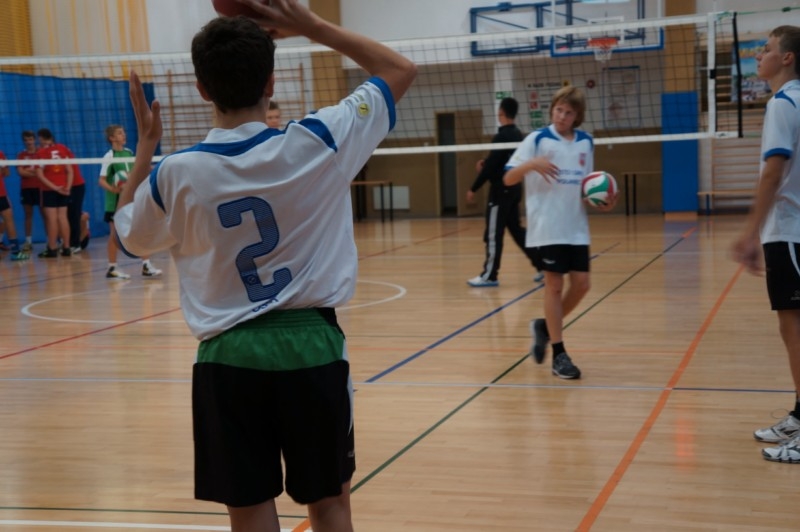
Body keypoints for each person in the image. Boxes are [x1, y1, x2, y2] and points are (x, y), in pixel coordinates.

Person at [114, 3, 416, 531]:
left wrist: (144, 152)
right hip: (312, 347)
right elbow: (400, 69)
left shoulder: (175, 173)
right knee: (330, 506)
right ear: (271, 82)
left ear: (202, 89)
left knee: (250, 512)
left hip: (227, 357)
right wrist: (310, 26)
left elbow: (130, 239)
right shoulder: (320, 140)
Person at [504, 85, 617, 379]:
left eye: (568, 113)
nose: (562, 116)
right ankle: (559, 354)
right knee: (553, 286)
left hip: (576, 226)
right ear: (552, 109)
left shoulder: (586, 143)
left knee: (582, 285)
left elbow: (586, 187)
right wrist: (532, 163)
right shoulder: (537, 139)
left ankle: (543, 326)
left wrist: (602, 202)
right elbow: (508, 178)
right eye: (558, 110)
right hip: (547, 225)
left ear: (577, 116)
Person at [731, 25, 800, 464]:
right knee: (790, 327)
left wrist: (749, 233)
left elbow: (773, 172)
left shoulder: (783, 102)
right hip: (792, 231)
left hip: (788, 230)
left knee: (795, 330)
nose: (759, 55)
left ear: (787, 58)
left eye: (767, 49)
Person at [465, 97, 542, 287]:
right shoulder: (518, 135)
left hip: (500, 191)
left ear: (501, 113)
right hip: (515, 189)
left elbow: (491, 167)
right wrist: (487, 163)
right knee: (517, 231)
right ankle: (543, 266)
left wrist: (473, 188)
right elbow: (502, 160)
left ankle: (489, 275)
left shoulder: (501, 137)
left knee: (493, 234)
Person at [98, 124, 162, 279]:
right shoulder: (109, 156)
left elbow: (135, 172)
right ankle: (112, 268)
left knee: (141, 231)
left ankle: (146, 265)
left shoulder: (129, 153)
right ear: (112, 138)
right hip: (114, 202)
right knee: (114, 235)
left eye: (123, 132)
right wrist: (114, 189)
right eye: (120, 133)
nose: (124, 135)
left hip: (131, 200)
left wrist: (150, 168)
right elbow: (101, 180)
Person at [34, 128, 72, 258]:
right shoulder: (62, 148)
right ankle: (66, 248)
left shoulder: (41, 153)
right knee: (63, 217)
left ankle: (52, 248)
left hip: (49, 190)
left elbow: (39, 175)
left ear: (42, 138)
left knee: (52, 219)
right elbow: (70, 170)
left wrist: (55, 188)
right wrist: (67, 187)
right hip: (63, 188)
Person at [0, 150, 28, 260]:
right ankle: (15, 252)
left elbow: (7, 173)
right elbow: (6, 173)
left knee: (8, 219)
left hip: (1, 194)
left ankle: (16, 252)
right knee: (8, 220)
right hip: (1, 194)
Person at [17, 130, 42, 252]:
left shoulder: (41, 153)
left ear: (35, 140)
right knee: (28, 214)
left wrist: (29, 171)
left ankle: (52, 241)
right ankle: (28, 242)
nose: (29, 142)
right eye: (26, 140)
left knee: (46, 215)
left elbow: (43, 171)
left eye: (30, 139)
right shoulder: (21, 155)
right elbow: (20, 172)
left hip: (40, 187)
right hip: (26, 188)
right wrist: (36, 173)